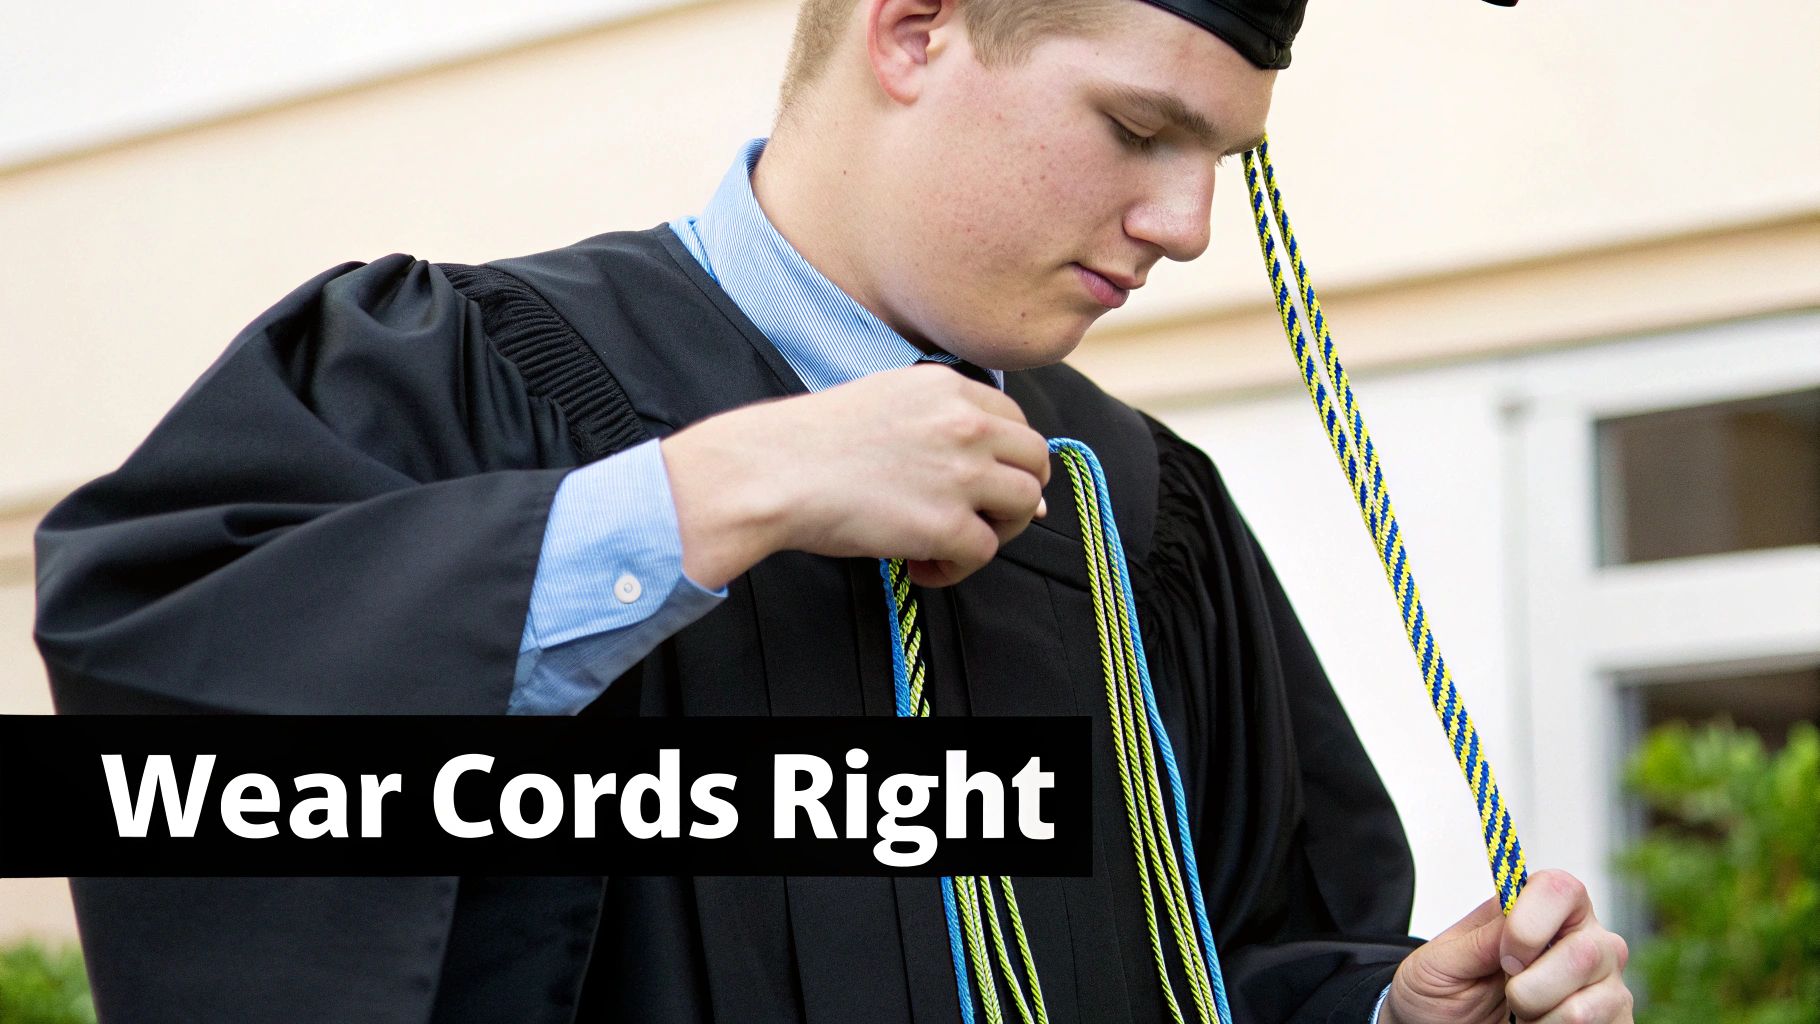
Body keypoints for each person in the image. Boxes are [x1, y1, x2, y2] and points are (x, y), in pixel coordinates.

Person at [32, 0, 1634, 1021]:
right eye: (1140, 131)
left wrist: (1386, 1014)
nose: (1189, 223)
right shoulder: (462, 376)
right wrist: (710, 496)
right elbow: (179, 758)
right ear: (914, 31)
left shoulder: (1137, 515)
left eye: (1225, 157)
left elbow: (1227, 953)